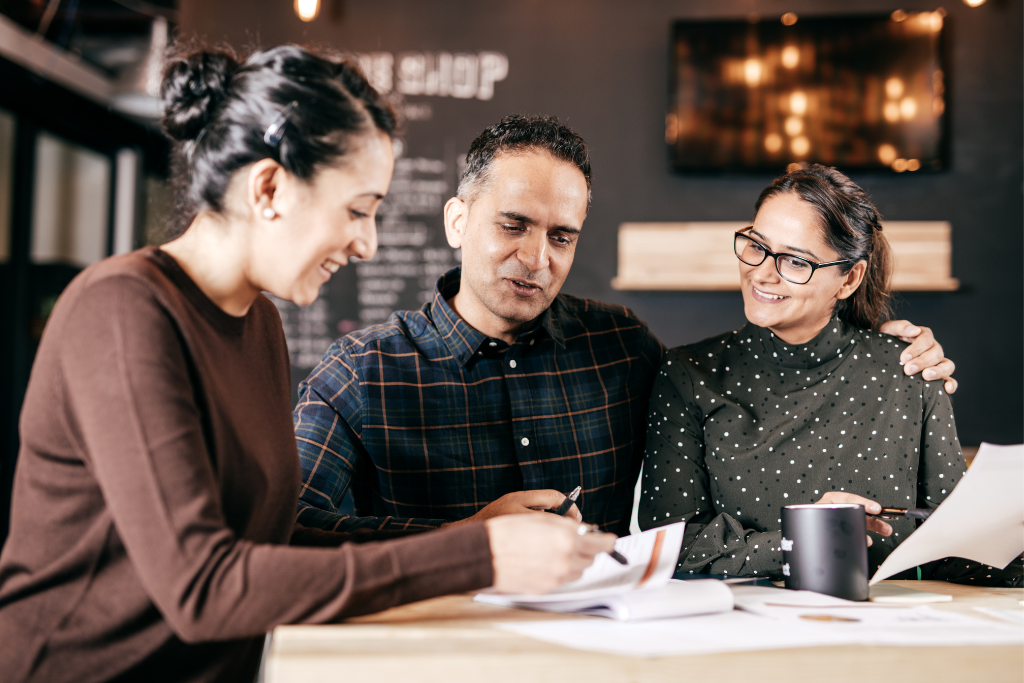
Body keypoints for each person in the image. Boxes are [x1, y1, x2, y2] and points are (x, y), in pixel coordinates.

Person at [0, 46, 615, 683]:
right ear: (268, 188)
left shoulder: (258, 323)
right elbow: (202, 588)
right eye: (356, 210)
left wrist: (469, 541)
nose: (367, 242)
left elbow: (276, 547)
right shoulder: (122, 312)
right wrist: (476, 555)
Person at [294, 117, 957, 539]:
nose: (536, 258)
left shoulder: (621, 347)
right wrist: (463, 537)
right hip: (427, 647)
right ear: (457, 221)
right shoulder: (361, 372)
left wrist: (888, 349)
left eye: (562, 235)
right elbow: (291, 529)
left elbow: (749, 406)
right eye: (512, 225)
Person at [640, 164, 1018, 585]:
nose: (763, 273)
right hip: (742, 630)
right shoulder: (688, 373)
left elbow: (959, 548)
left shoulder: (910, 370)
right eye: (757, 246)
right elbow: (670, 544)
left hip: (890, 630)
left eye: (796, 261)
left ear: (848, 279)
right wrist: (810, 539)